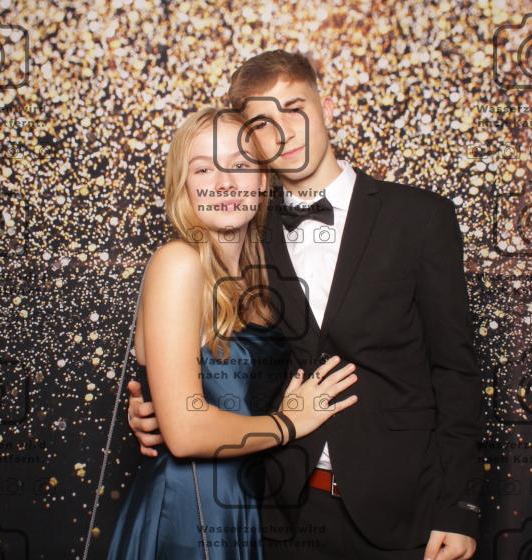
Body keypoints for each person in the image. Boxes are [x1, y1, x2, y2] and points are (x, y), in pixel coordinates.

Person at [127, 51, 485, 560]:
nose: (285, 132)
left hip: (404, 513)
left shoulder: (419, 217)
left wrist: (460, 506)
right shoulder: (246, 232)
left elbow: (454, 370)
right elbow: (208, 359)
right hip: (280, 513)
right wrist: (158, 408)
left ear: (327, 107)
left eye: (295, 108)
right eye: (263, 123)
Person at [107, 106, 360, 560]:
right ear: (183, 184)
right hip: (189, 513)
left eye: (239, 165)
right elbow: (185, 433)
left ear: (262, 180)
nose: (224, 184)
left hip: (245, 506)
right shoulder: (178, 263)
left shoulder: (260, 275)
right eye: (204, 168)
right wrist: (288, 423)